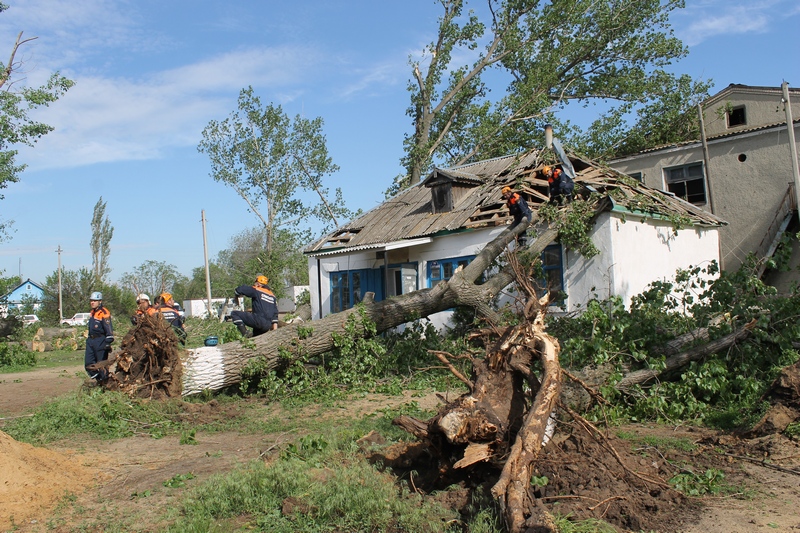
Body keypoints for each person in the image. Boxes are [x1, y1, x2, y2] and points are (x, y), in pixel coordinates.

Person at [85, 291, 114, 382]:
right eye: (91, 301)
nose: (92, 302)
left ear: (100, 301)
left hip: (100, 340)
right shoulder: (92, 313)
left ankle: (105, 383)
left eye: (95, 301)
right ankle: (99, 380)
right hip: (91, 341)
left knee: (101, 365)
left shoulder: (104, 312)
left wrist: (108, 342)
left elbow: (108, 329)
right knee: (88, 364)